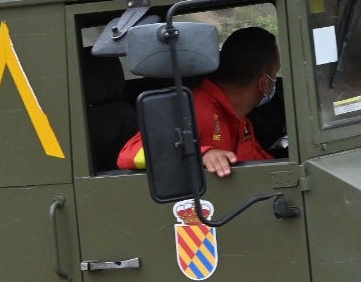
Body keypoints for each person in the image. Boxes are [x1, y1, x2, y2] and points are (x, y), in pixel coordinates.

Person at [117, 26, 280, 177]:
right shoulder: (194, 107)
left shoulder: (240, 121)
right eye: (275, 72)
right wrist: (201, 154)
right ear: (264, 83)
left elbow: (258, 162)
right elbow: (130, 154)